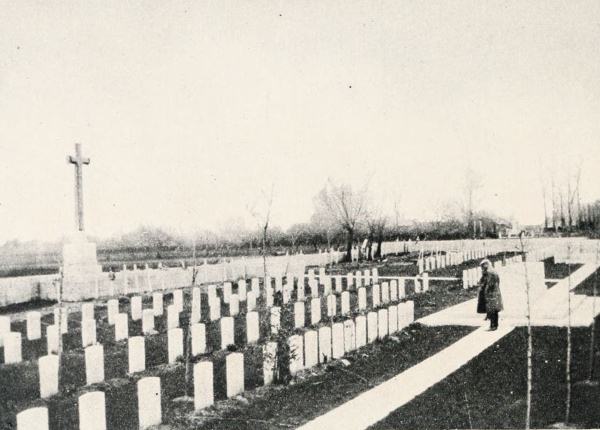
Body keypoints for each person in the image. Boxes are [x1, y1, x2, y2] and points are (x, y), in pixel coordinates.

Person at [476, 259, 503, 330]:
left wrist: (485, 290)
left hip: (491, 295)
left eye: (482, 266)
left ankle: (493, 326)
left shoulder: (490, 273)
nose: (482, 268)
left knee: (492, 311)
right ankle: (494, 325)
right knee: (493, 311)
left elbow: (489, 284)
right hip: (493, 294)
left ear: (486, 265)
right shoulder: (491, 272)